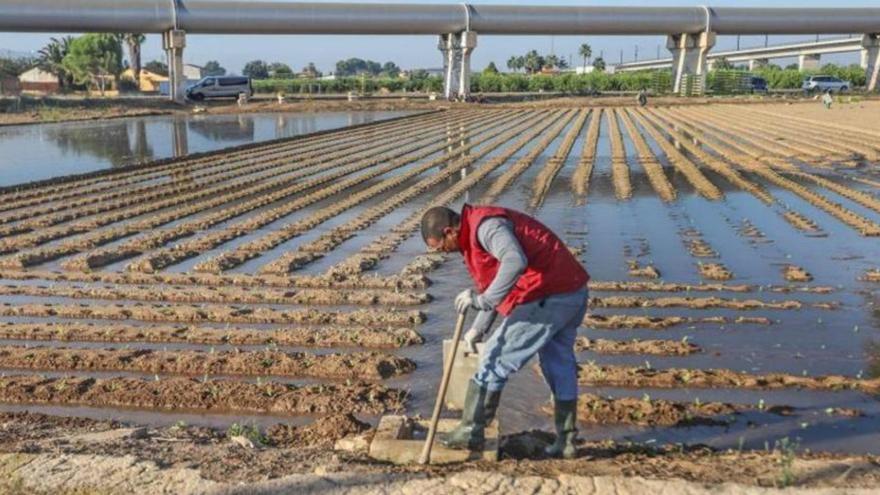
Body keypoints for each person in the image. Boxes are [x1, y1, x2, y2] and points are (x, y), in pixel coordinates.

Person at [420, 204, 590, 459]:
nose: (442, 252)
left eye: (439, 246)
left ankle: (471, 430)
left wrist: (482, 300)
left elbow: (514, 261)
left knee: (495, 358)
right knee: (558, 365)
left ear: (449, 231)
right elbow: (497, 283)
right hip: (571, 291)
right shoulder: (475, 229)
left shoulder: (486, 227)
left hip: (548, 294)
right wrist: (479, 328)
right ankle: (566, 441)